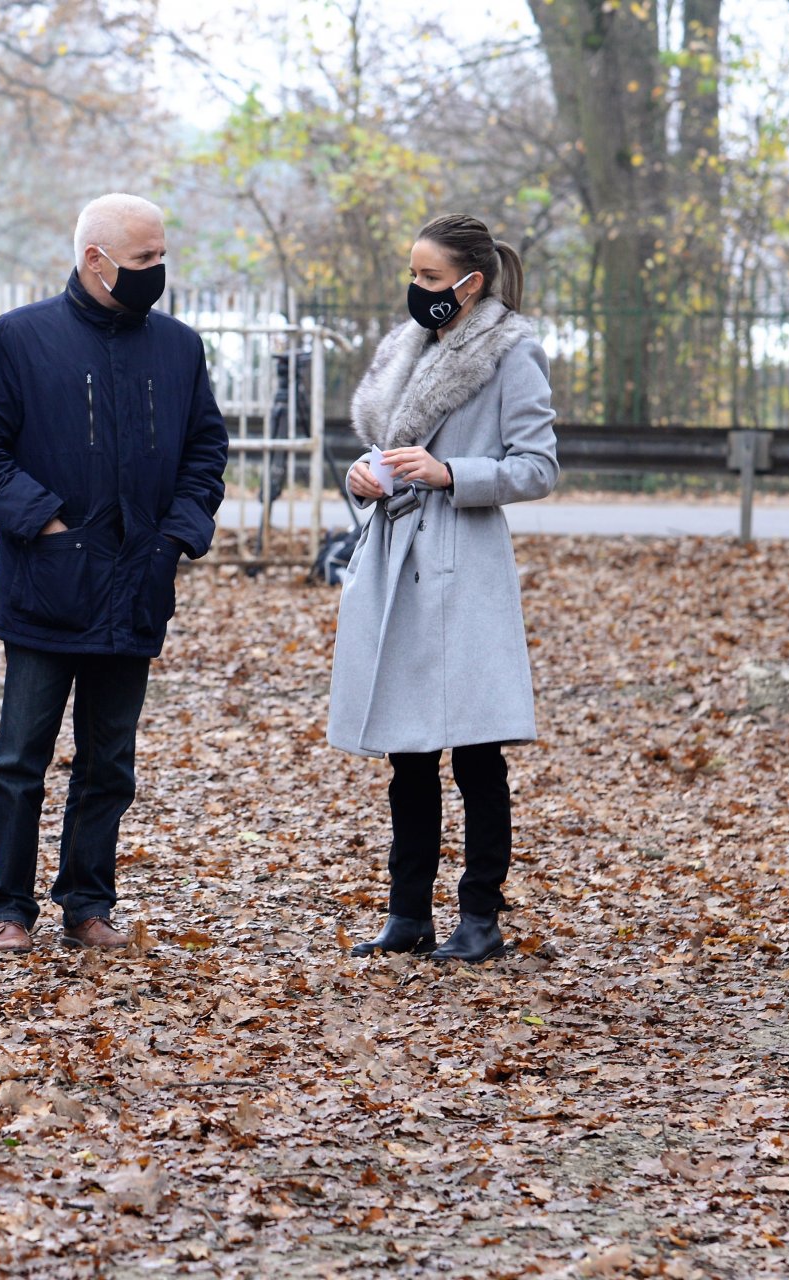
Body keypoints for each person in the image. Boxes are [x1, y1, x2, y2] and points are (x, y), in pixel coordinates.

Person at [0, 193, 230, 954]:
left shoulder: (178, 349)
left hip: (137, 587)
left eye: (162, 255)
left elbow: (206, 452)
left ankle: (87, 904)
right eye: (145, 260)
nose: (159, 271)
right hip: (47, 587)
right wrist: (46, 522)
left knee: (110, 762)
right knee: (20, 760)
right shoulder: (20, 338)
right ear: (95, 260)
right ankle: (6, 909)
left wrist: (175, 535)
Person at [328, 213, 559, 964]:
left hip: (465, 568)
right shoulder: (404, 348)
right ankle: (407, 913)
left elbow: (538, 466)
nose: (416, 289)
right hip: (394, 559)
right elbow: (380, 448)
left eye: (430, 278)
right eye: (414, 274)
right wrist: (363, 475)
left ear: (472, 282)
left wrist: (453, 473)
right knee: (408, 751)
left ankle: (480, 916)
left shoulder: (510, 353)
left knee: (477, 753)